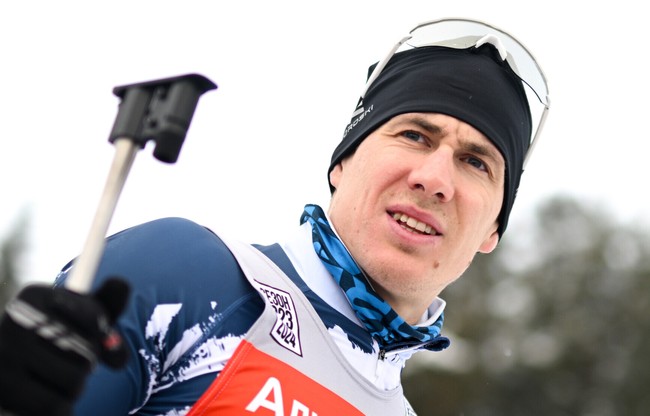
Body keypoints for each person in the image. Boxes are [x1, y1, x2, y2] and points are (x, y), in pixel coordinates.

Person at [0, 17, 549, 416]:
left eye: (476, 162)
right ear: (342, 163)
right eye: (414, 135)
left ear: (492, 230)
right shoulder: (188, 278)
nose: (434, 178)